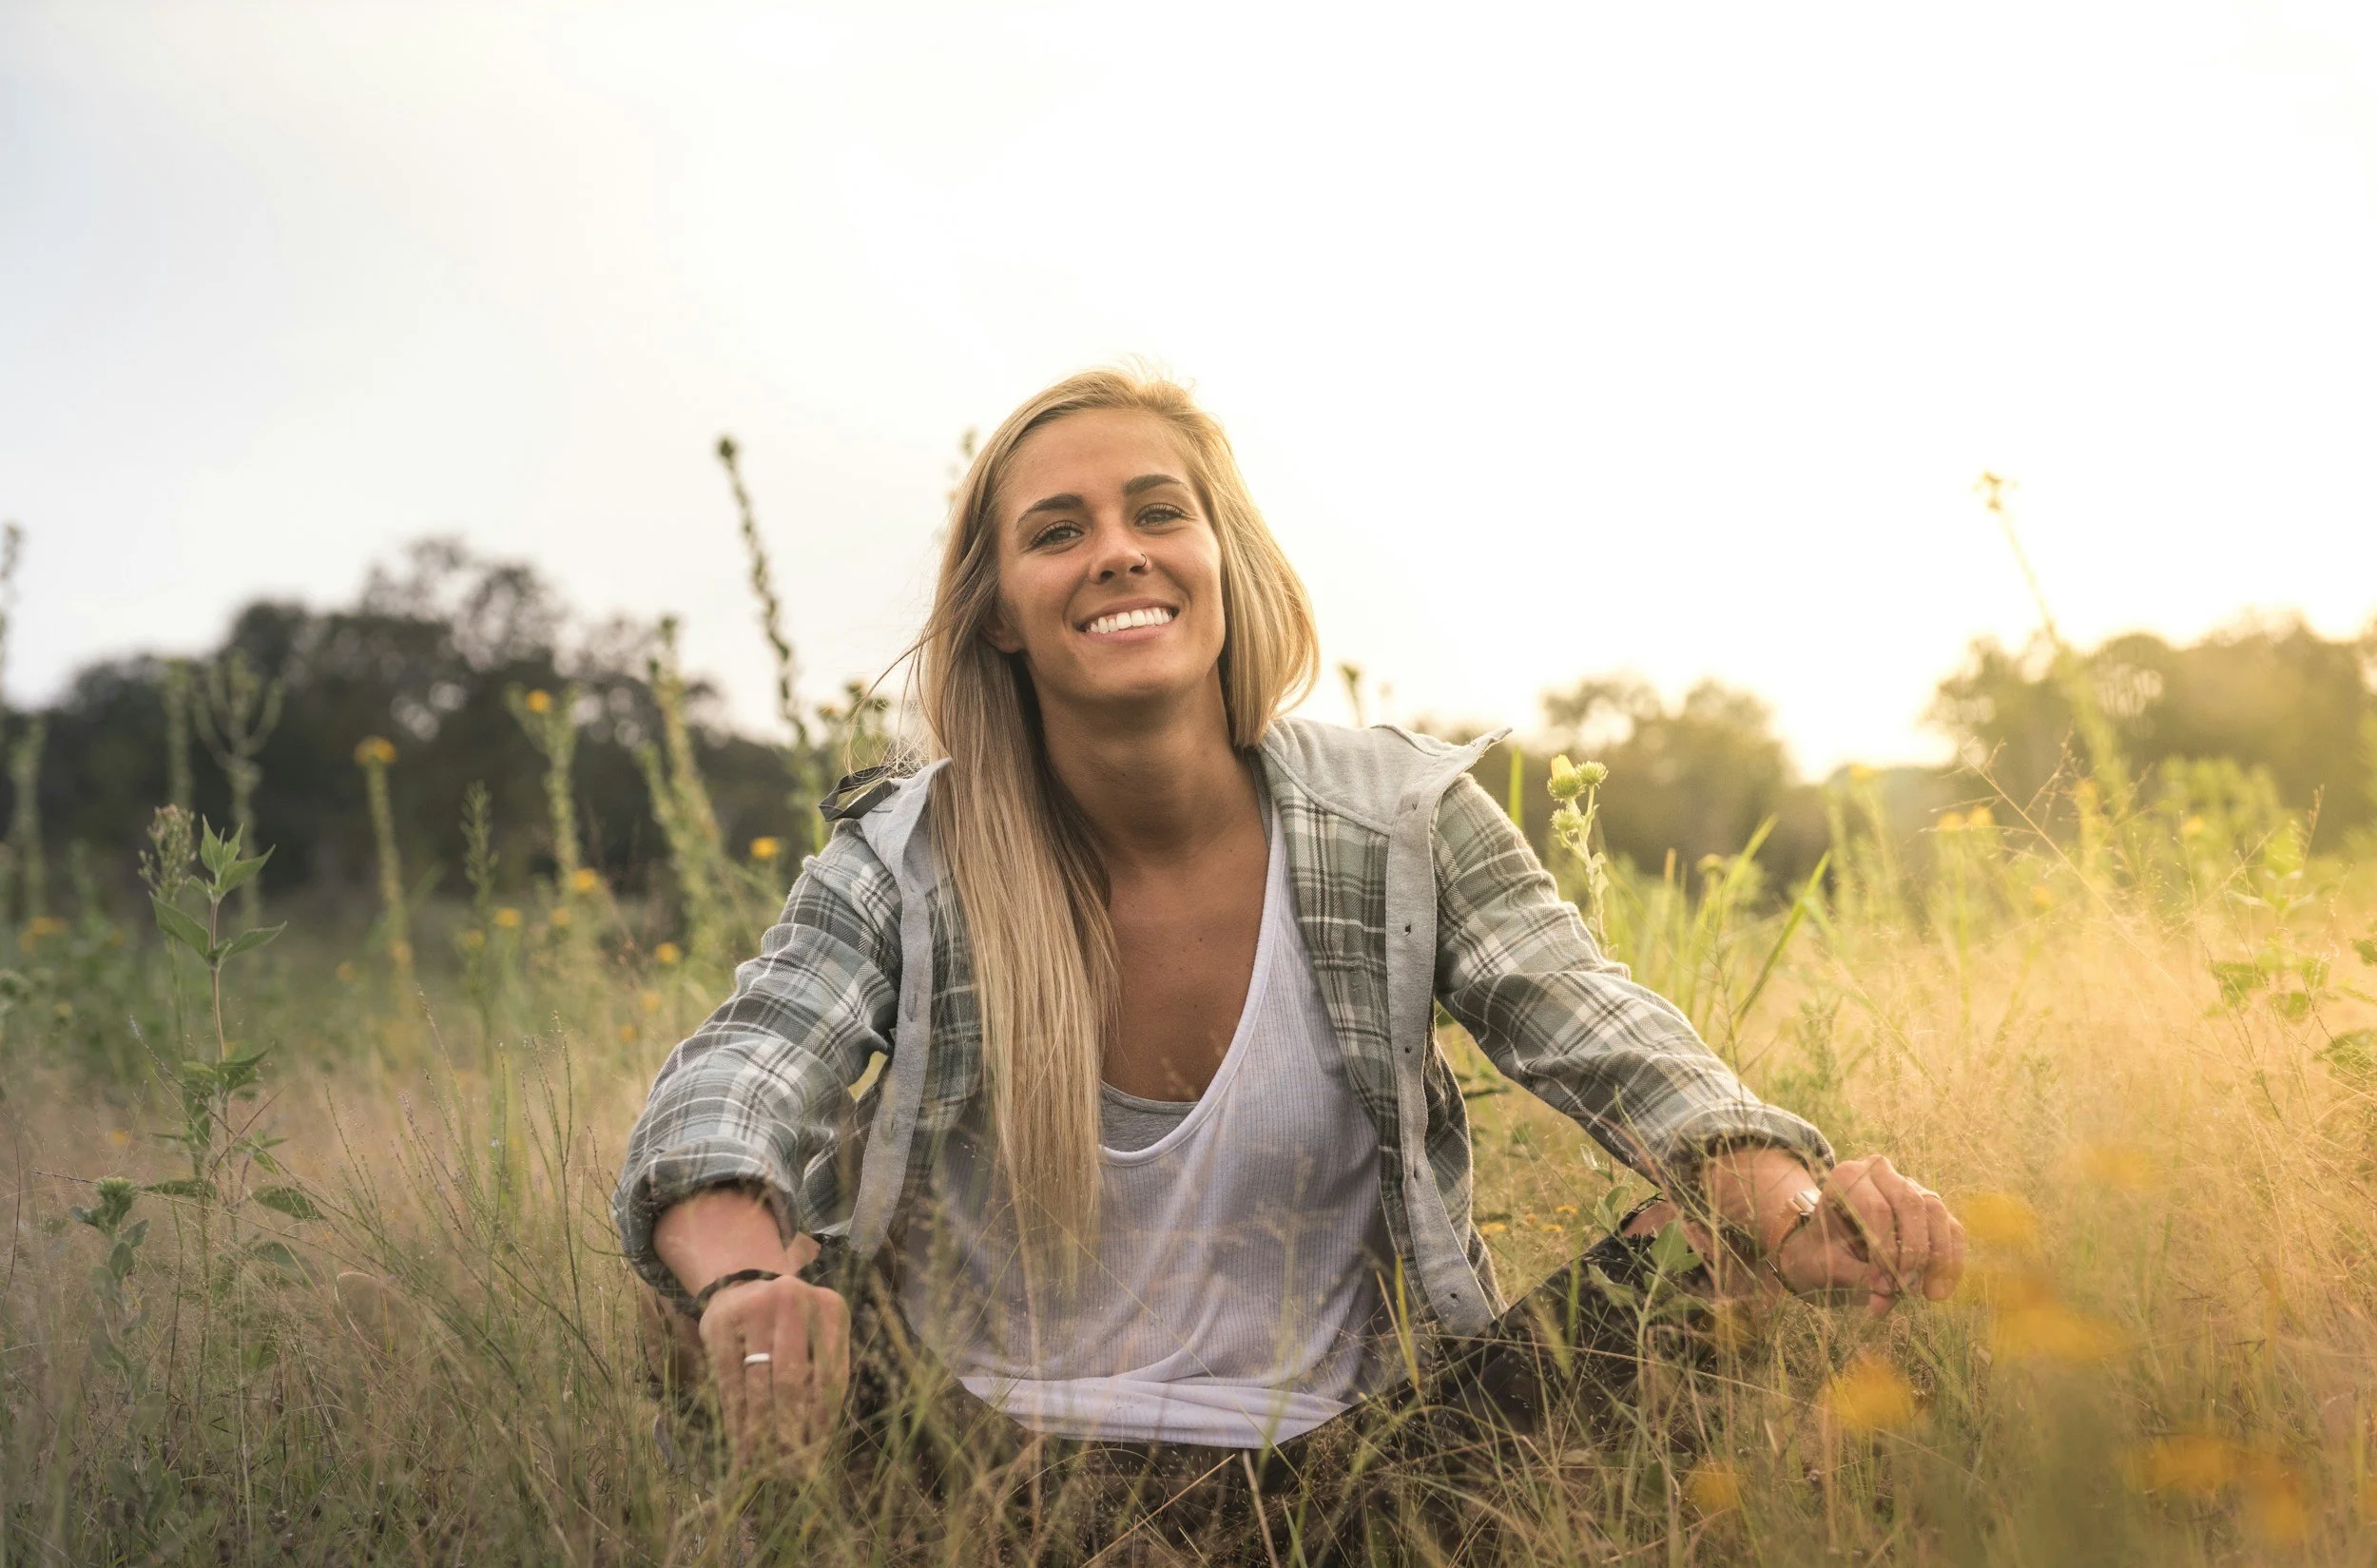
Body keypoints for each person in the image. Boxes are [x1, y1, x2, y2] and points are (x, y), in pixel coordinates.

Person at [613, 366, 1965, 1496]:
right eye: (1057, 530)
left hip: (1369, 1473)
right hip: (970, 1475)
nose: (1119, 551)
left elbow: (1602, 1035)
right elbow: (741, 1075)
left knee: (1715, 1261)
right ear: (1002, 614)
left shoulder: (1400, 819)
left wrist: (1792, 1207)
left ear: (1220, 560)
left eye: (1158, 512)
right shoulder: (906, 856)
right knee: (708, 1288)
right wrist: (743, 1280)